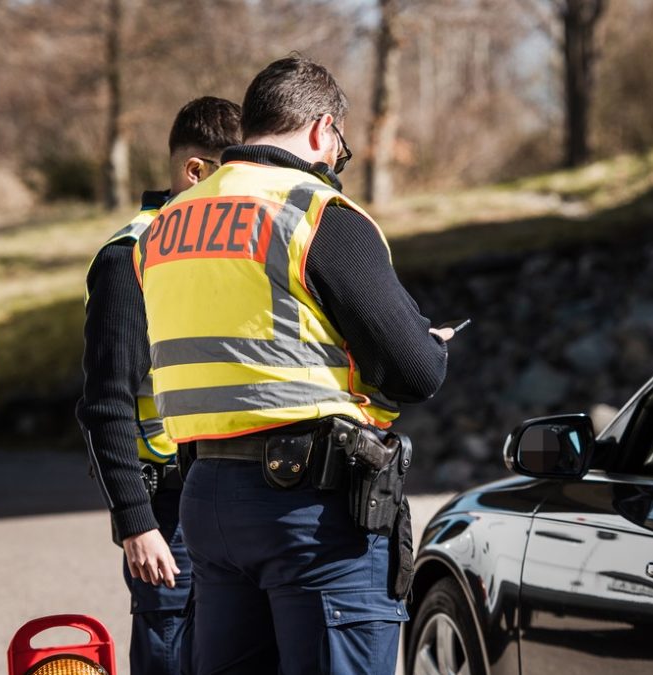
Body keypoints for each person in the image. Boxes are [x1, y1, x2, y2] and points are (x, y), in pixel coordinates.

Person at [134, 56, 450, 674]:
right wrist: (431, 344)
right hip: (311, 507)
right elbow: (416, 371)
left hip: (208, 499)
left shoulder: (165, 227)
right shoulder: (314, 213)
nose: (336, 163)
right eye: (341, 148)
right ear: (321, 130)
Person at [76, 96, 242, 675]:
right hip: (166, 510)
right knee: (170, 650)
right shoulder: (129, 259)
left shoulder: (229, 249)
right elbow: (105, 405)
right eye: (235, 174)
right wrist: (135, 523)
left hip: (231, 488)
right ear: (194, 172)